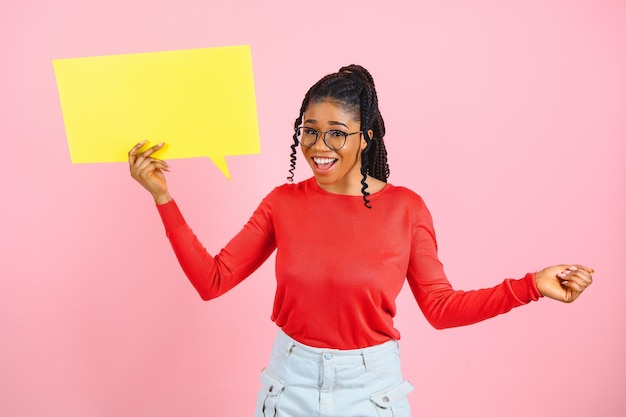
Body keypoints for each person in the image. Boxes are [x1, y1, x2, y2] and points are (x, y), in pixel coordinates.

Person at [128, 65, 593, 417]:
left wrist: (532, 284)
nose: (317, 145)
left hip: (371, 393)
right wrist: (163, 197)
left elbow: (441, 308)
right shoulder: (283, 203)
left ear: (365, 137)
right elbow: (213, 281)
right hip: (288, 385)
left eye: (336, 133)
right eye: (309, 131)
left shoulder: (406, 209)